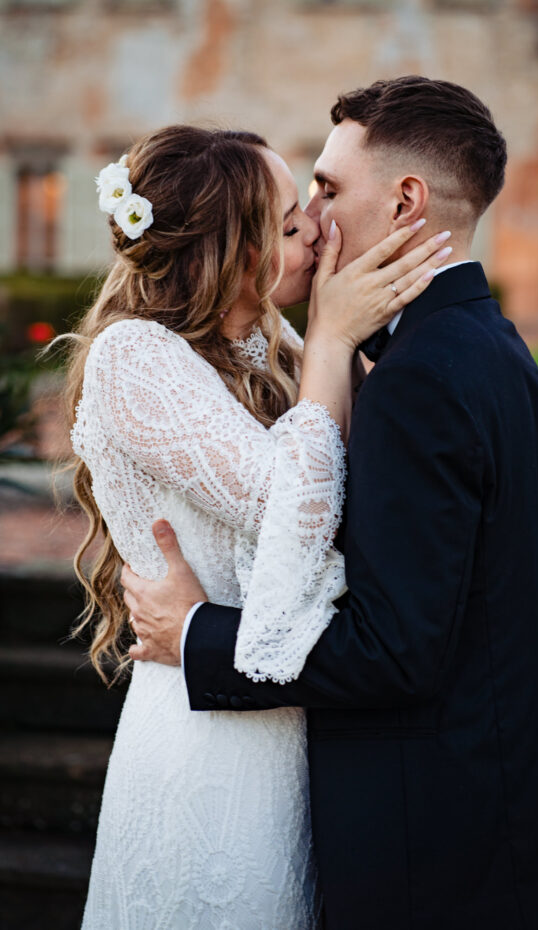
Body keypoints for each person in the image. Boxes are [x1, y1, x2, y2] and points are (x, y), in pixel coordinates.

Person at [123, 78, 538, 930]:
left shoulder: (422, 381)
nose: (314, 220)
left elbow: (395, 650)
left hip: (426, 858)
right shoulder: (486, 344)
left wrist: (194, 635)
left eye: (327, 190)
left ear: (406, 199)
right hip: (481, 831)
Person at [67, 123, 448, 928]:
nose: (316, 225)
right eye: (287, 224)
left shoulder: (269, 346)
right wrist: (336, 342)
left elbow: (360, 493)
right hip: (205, 741)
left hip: (296, 725)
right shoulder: (134, 357)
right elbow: (290, 504)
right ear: (227, 254)